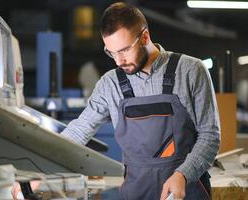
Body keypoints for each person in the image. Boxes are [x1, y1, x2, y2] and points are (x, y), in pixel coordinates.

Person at [61, 2, 221, 200]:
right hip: (136, 193)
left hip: (185, 191)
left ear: (145, 36)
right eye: (111, 52)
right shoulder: (110, 84)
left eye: (124, 50)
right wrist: (41, 169)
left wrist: (183, 175)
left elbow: (210, 136)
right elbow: (79, 129)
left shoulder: (191, 71)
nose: (118, 61)